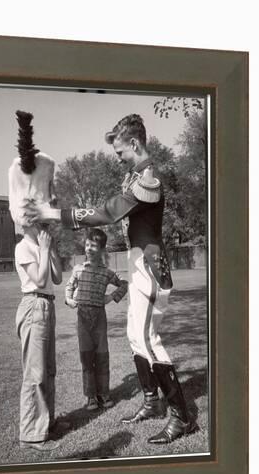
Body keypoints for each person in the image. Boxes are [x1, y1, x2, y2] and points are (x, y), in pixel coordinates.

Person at [24, 114, 196, 444]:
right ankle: (151, 401)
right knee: (135, 337)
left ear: (134, 144)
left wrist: (51, 213)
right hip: (139, 267)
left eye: (120, 152)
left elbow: (105, 213)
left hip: (149, 269)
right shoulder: (137, 178)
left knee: (148, 340)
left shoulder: (149, 180)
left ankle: (181, 416)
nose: (118, 158)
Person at [65, 228, 128, 411]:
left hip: (99, 318)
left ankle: (104, 393)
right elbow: (69, 287)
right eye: (87, 245)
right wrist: (69, 300)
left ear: (101, 249)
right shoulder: (78, 270)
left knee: (102, 356)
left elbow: (124, 284)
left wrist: (111, 297)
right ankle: (91, 396)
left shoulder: (107, 272)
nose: (89, 249)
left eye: (93, 246)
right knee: (86, 357)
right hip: (82, 319)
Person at [15, 225, 63, 451]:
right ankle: (31, 435)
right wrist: (43, 249)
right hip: (34, 304)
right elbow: (39, 277)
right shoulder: (22, 247)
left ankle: (47, 423)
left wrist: (51, 250)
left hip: (46, 305)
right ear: (26, 225)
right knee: (35, 372)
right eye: (39, 223)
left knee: (49, 369)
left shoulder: (40, 246)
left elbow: (57, 277)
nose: (44, 226)